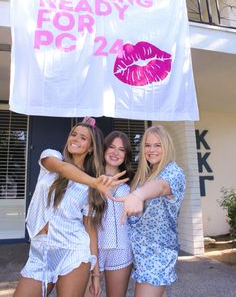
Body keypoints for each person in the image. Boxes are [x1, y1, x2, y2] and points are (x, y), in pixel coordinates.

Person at [13, 117, 127, 297]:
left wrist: (96, 274)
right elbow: (63, 169)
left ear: (91, 148)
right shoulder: (51, 157)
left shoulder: (91, 186)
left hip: (73, 251)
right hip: (39, 250)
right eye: (74, 134)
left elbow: (90, 229)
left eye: (83, 138)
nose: (75, 139)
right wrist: (94, 182)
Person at [117, 125, 186, 297]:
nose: (151, 149)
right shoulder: (148, 173)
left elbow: (161, 187)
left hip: (157, 253)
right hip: (141, 252)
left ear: (167, 147)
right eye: (147, 145)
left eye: (158, 145)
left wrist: (138, 195)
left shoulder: (173, 172)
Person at [85, 131, 134, 297]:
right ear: (104, 149)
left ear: (126, 154)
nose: (115, 153)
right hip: (91, 247)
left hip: (121, 247)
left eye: (121, 149)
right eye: (111, 147)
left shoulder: (132, 180)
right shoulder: (89, 177)